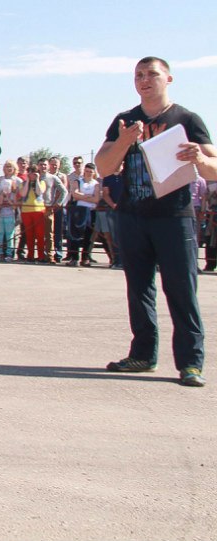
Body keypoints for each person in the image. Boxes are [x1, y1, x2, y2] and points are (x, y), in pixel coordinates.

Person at [95, 57, 216, 388]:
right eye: (139, 75)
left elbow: (213, 167)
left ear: (169, 79)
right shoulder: (124, 120)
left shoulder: (186, 119)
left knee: (181, 290)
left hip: (174, 217)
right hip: (133, 216)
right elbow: (104, 166)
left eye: (152, 74)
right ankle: (143, 355)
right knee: (139, 290)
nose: (144, 79)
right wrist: (123, 142)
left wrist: (201, 158)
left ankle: (190, 363)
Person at [67, 163, 99, 266]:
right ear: (84, 171)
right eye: (87, 171)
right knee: (75, 235)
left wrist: (82, 196)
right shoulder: (78, 181)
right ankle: (74, 258)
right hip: (79, 210)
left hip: (91, 211)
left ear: (94, 173)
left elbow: (97, 199)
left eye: (91, 172)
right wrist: (89, 196)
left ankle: (85, 258)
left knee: (89, 236)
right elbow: (75, 194)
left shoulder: (96, 184)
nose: (89, 173)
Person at [0, 160, 22, 261]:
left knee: (10, 233)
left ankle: (9, 253)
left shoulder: (17, 180)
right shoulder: (0, 179)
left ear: (14, 169)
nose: (9, 169)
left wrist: (13, 199)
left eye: (11, 167)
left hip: (12, 209)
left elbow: (22, 194)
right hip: (1, 209)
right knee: (1, 233)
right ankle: (0, 252)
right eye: (7, 166)